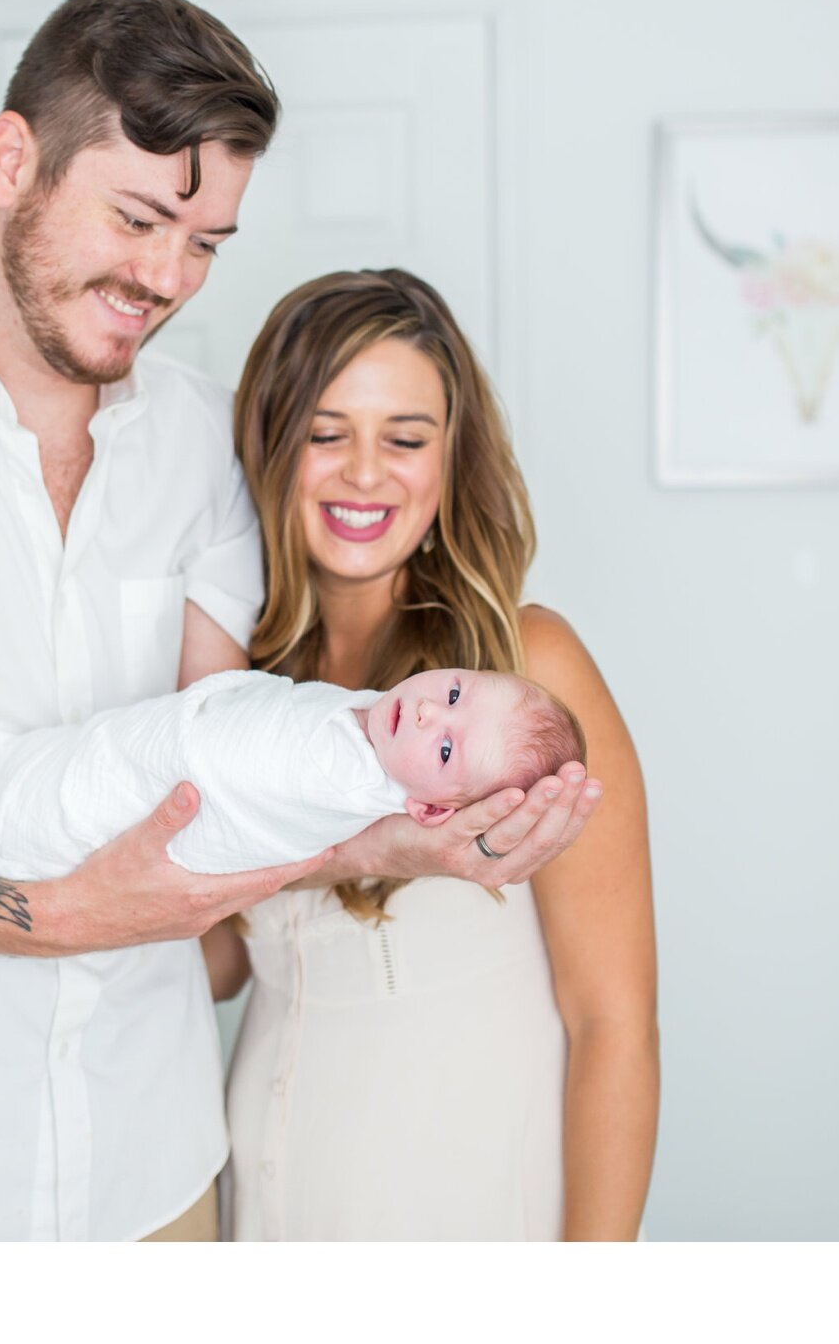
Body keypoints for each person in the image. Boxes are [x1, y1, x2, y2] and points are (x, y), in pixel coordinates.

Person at [0, 0, 597, 1243]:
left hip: (153, 1186)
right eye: (139, 218)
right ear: (9, 160)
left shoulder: (208, 443)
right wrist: (48, 917)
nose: (166, 278)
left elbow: (219, 776)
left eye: (204, 243)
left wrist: (381, 846)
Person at [205, 268, 656, 1241]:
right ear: (270, 445)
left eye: (403, 438)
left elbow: (610, 1022)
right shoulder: (233, 679)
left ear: (451, 460)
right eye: (326, 432)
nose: (363, 472)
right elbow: (207, 964)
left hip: (466, 1208)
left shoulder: (528, 667)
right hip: (262, 1212)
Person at [0, 665, 583, 880]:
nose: (425, 711)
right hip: (81, 740)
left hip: (149, 782)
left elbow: (223, 764)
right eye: (454, 692)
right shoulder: (374, 725)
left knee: (72, 795)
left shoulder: (334, 776)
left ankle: (5, 816)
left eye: (446, 751)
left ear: (428, 812)